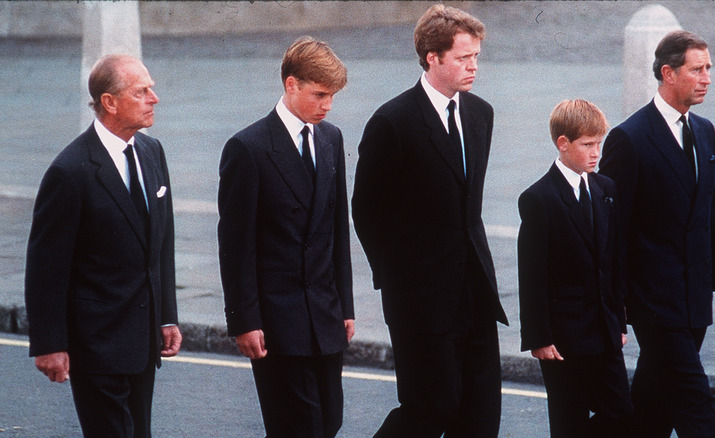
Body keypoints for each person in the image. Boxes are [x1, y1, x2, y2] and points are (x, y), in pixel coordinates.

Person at [352, 5, 508, 437]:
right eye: (463, 57)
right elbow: (366, 210)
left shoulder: (480, 114)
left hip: (475, 290)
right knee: (430, 409)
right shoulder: (392, 122)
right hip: (420, 300)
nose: (473, 66)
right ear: (432, 57)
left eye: (476, 55)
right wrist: (399, 279)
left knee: (480, 417)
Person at [25, 54, 181, 438]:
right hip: (97, 343)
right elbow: (46, 268)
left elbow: (162, 242)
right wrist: (49, 345)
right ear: (109, 102)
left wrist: (166, 314)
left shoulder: (151, 152)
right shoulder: (70, 171)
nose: (154, 98)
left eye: (152, 88)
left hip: (143, 339)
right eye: (142, 91)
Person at [599, 30, 715, 438]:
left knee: (651, 406)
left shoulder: (705, 131)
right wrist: (615, 302)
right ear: (668, 73)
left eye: (708, 68)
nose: (707, 78)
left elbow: (714, 210)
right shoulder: (631, 138)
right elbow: (611, 227)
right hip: (653, 302)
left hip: (694, 296)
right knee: (696, 401)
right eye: (697, 69)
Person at [217, 37, 354, 438]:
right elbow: (235, 245)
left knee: (329, 422)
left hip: (325, 314)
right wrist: (244, 320)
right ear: (291, 85)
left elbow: (336, 230)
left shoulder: (332, 139)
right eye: (320, 94)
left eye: (333, 96)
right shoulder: (248, 148)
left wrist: (345, 305)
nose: (327, 105)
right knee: (298, 427)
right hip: (276, 320)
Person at [518, 99, 632, 437]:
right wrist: (538, 337)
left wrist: (619, 320)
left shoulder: (605, 188)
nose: (596, 152)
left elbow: (613, 262)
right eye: (587, 145)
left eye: (599, 143)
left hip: (604, 329)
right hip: (563, 337)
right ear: (563, 144)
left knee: (621, 413)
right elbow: (532, 273)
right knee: (569, 420)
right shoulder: (539, 198)